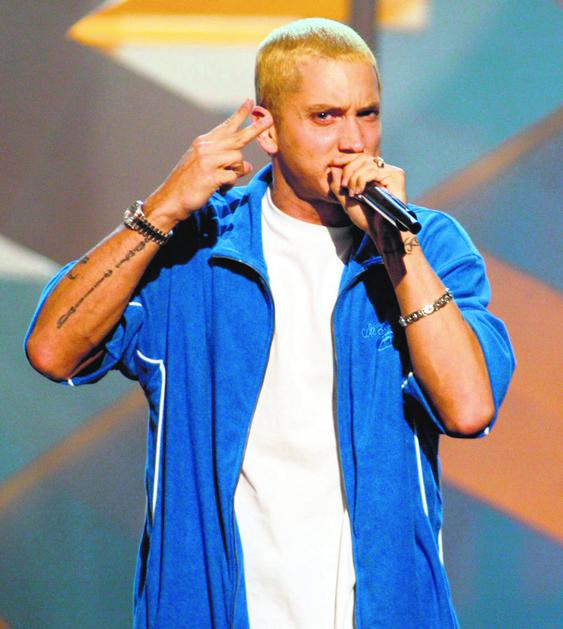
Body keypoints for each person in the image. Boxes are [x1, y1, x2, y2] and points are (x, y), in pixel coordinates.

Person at [25, 17, 515, 629]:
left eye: (367, 114)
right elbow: (53, 350)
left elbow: (468, 409)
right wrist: (164, 208)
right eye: (325, 116)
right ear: (269, 129)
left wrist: (398, 250)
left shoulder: (429, 246)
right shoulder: (196, 250)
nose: (354, 141)